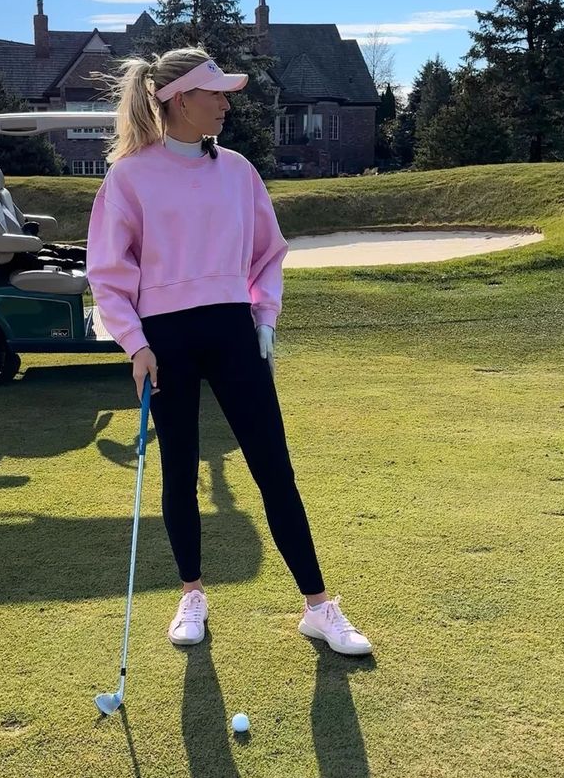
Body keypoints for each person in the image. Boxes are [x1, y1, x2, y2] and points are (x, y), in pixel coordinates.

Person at [85, 46, 373, 657]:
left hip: (233, 330)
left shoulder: (238, 170)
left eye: (224, 92)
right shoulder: (129, 177)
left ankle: (319, 608)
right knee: (180, 470)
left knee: (274, 467)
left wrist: (263, 315)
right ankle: (192, 593)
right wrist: (134, 344)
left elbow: (269, 252)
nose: (225, 102)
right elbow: (109, 273)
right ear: (179, 99)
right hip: (165, 339)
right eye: (214, 92)